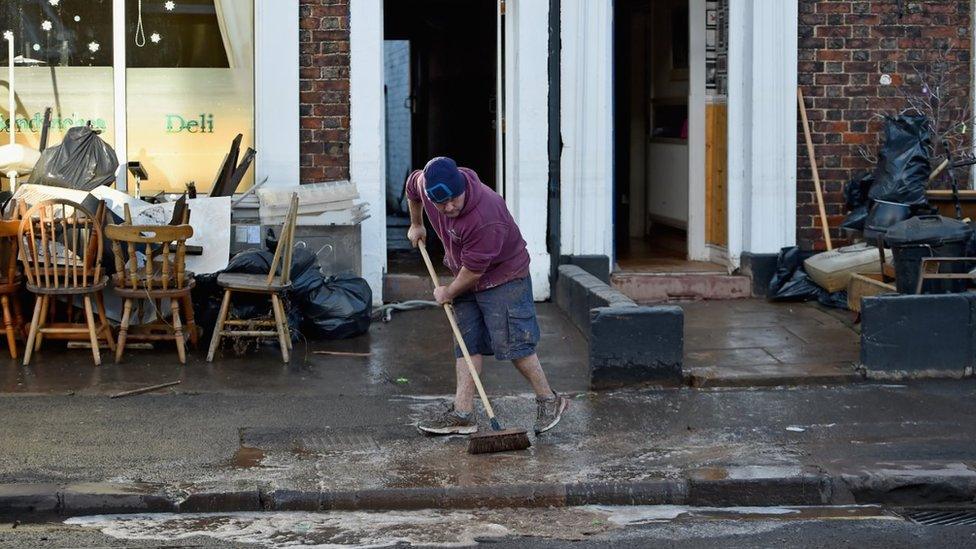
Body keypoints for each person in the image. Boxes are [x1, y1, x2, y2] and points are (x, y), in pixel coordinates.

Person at [405, 156, 568, 436]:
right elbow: (412, 187)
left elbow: (474, 272)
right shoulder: (427, 187)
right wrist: (417, 223)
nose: (449, 207)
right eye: (441, 204)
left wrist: (447, 291)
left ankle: (549, 400)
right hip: (464, 272)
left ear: (461, 187)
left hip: (503, 276)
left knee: (514, 343)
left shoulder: (486, 214)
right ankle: (463, 414)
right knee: (466, 343)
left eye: (454, 200)